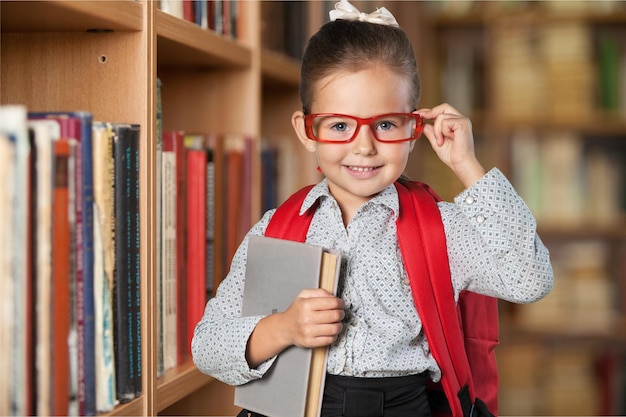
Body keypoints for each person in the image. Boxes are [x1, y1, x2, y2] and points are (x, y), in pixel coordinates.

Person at [192, 1, 554, 416]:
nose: (364, 146)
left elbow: (530, 280)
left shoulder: (442, 227)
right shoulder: (278, 228)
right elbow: (207, 346)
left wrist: (466, 165)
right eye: (340, 125)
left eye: (385, 124)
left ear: (414, 128)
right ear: (306, 131)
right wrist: (283, 328)